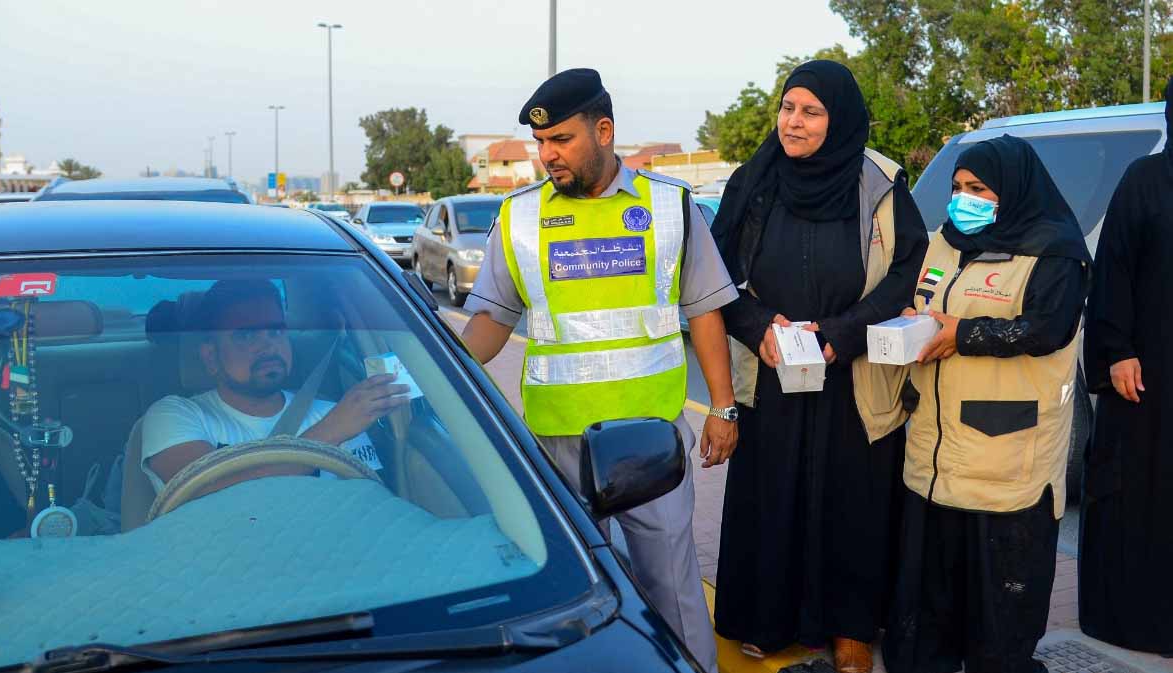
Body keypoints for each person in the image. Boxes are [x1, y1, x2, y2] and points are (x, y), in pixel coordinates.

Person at [460, 68, 738, 673]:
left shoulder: (669, 207)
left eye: (560, 139)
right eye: (541, 143)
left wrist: (722, 407)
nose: (547, 155)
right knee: (575, 594)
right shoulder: (519, 217)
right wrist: (435, 368)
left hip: (649, 444)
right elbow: (490, 323)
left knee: (672, 588)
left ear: (604, 130)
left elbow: (706, 311)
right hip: (557, 444)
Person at [710, 60, 928, 673]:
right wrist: (759, 330)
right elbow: (712, 277)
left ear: (839, 120)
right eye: (787, 108)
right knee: (773, 494)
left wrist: (841, 334)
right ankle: (769, 618)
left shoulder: (880, 183)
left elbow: (908, 273)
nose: (794, 122)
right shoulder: (752, 182)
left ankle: (852, 628)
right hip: (773, 369)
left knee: (853, 500)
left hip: (853, 373)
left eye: (810, 111)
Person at [882, 135, 1091, 673]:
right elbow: (927, 301)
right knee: (930, 612)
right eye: (956, 188)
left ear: (1013, 190)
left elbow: (1047, 329)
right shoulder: (942, 244)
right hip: (932, 458)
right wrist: (914, 320)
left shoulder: (1054, 250)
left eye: (978, 189)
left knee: (999, 624)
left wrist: (962, 334)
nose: (962, 199)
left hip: (1007, 464)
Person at [140, 279, 406, 493]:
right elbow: (206, 492)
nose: (268, 345)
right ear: (211, 357)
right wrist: (331, 431)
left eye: (276, 332)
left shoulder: (337, 413)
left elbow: (372, 511)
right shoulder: (174, 415)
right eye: (245, 336)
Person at [1079, 76, 1173, 654]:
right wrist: (1116, 351)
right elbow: (1112, 268)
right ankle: (1141, 620)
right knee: (1144, 495)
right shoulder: (1146, 179)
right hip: (1150, 377)